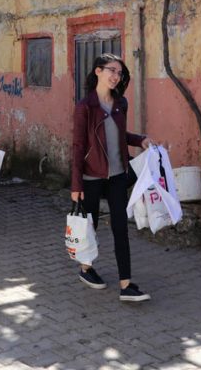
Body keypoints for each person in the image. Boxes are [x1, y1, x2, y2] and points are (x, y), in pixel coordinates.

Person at [71, 53, 156, 303]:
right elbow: (77, 146)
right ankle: (86, 269)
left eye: (119, 73)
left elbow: (119, 134)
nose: (116, 76)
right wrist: (76, 184)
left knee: (121, 228)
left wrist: (141, 140)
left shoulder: (121, 103)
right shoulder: (85, 106)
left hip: (118, 175)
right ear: (98, 71)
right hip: (91, 177)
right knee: (90, 227)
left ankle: (126, 284)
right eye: (111, 70)